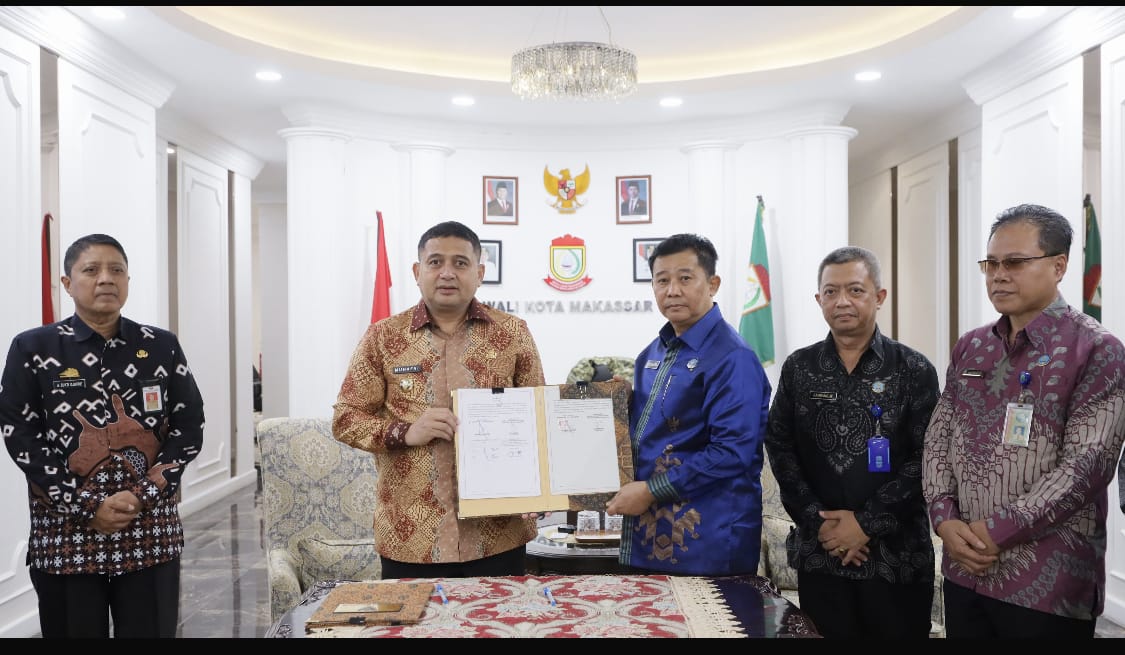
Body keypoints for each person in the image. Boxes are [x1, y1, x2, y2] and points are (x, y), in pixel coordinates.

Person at [923, 203, 1125, 639]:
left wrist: (995, 532)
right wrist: (944, 518)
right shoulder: (972, 346)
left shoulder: (1096, 349)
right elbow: (939, 439)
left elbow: (1087, 465)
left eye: (1014, 262)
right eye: (991, 264)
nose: (998, 275)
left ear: (1059, 266)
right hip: (964, 569)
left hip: (1047, 584)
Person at [0, 233, 205, 638]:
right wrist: (85, 504)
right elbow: (20, 435)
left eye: (117, 270)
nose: (106, 279)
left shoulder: (161, 346)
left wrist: (143, 493)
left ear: (128, 280)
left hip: (149, 534)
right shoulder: (33, 348)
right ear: (67, 283)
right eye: (91, 270)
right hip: (66, 538)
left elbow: (189, 426)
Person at [332, 220, 546, 579]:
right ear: (418, 272)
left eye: (460, 263)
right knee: (412, 620)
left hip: (498, 536)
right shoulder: (383, 337)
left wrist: (541, 491)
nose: (447, 273)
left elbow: (538, 419)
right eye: (435, 262)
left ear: (479, 273)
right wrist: (405, 432)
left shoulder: (512, 333)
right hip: (410, 538)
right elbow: (345, 418)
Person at [765, 245, 939, 639]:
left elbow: (929, 456)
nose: (842, 301)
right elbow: (779, 445)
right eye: (831, 292)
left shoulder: (913, 369)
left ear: (879, 296)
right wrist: (821, 523)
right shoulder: (799, 368)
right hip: (822, 553)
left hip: (896, 557)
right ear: (819, 300)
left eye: (855, 290)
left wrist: (865, 524)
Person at [606, 233, 770, 576]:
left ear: (712, 284)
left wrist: (650, 491)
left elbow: (731, 453)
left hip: (709, 537)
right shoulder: (652, 354)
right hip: (648, 534)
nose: (672, 291)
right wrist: (619, 408)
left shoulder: (732, 357)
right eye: (662, 280)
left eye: (685, 278)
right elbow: (653, 433)